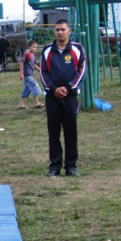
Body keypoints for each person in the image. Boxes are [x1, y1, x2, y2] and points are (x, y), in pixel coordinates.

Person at [40, 20, 87, 177]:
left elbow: (82, 70)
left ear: (69, 31)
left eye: (63, 29)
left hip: (70, 98)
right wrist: (53, 89)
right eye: (57, 29)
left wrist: (68, 87)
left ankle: (71, 166)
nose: (60, 32)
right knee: (53, 133)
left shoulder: (78, 49)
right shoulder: (47, 50)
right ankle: (54, 165)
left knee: (70, 132)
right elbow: (43, 72)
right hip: (52, 98)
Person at [17, 40, 45, 109]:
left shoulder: (33, 55)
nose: (35, 48)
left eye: (36, 47)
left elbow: (34, 64)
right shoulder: (27, 54)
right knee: (34, 86)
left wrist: (39, 70)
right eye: (33, 47)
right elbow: (21, 62)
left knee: (27, 89)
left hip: (31, 74)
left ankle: (21, 104)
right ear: (29, 47)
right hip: (27, 75)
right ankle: (37, 102)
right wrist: (21, 73)